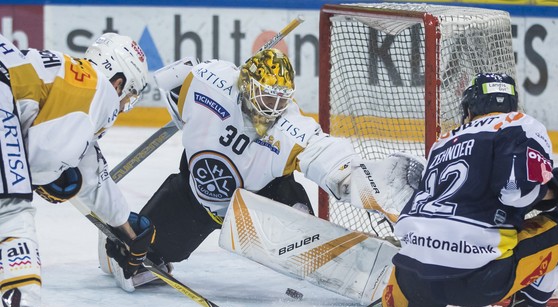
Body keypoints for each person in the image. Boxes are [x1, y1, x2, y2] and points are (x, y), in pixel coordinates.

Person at [264, 73, 558, 307]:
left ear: (469, 108)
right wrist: (554, 190)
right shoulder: (521, 124)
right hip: (480, 278)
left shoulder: (444, 142)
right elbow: (515, 192)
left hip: (414, 270)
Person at [105, 49, 420, 287]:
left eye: (280, 100)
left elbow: (332, 159)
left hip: (260, 208)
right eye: (266, 98)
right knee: (128, 261)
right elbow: (167, 78)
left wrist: (371, 183)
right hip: (194, 200)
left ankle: (330, 253)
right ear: (245, 86)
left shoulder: (292, 127)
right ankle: (146, 251)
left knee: (301, 221)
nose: (273, 109)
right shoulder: (208, 82)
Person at [0, 33, 156, 307]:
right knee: (11, 216)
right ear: (118, 78)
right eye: (128, 92)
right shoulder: (98, 91)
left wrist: (126, 229)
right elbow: (42, 166)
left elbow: (91, 177)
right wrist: (52, 178)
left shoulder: (69, 78)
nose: (125, 101)